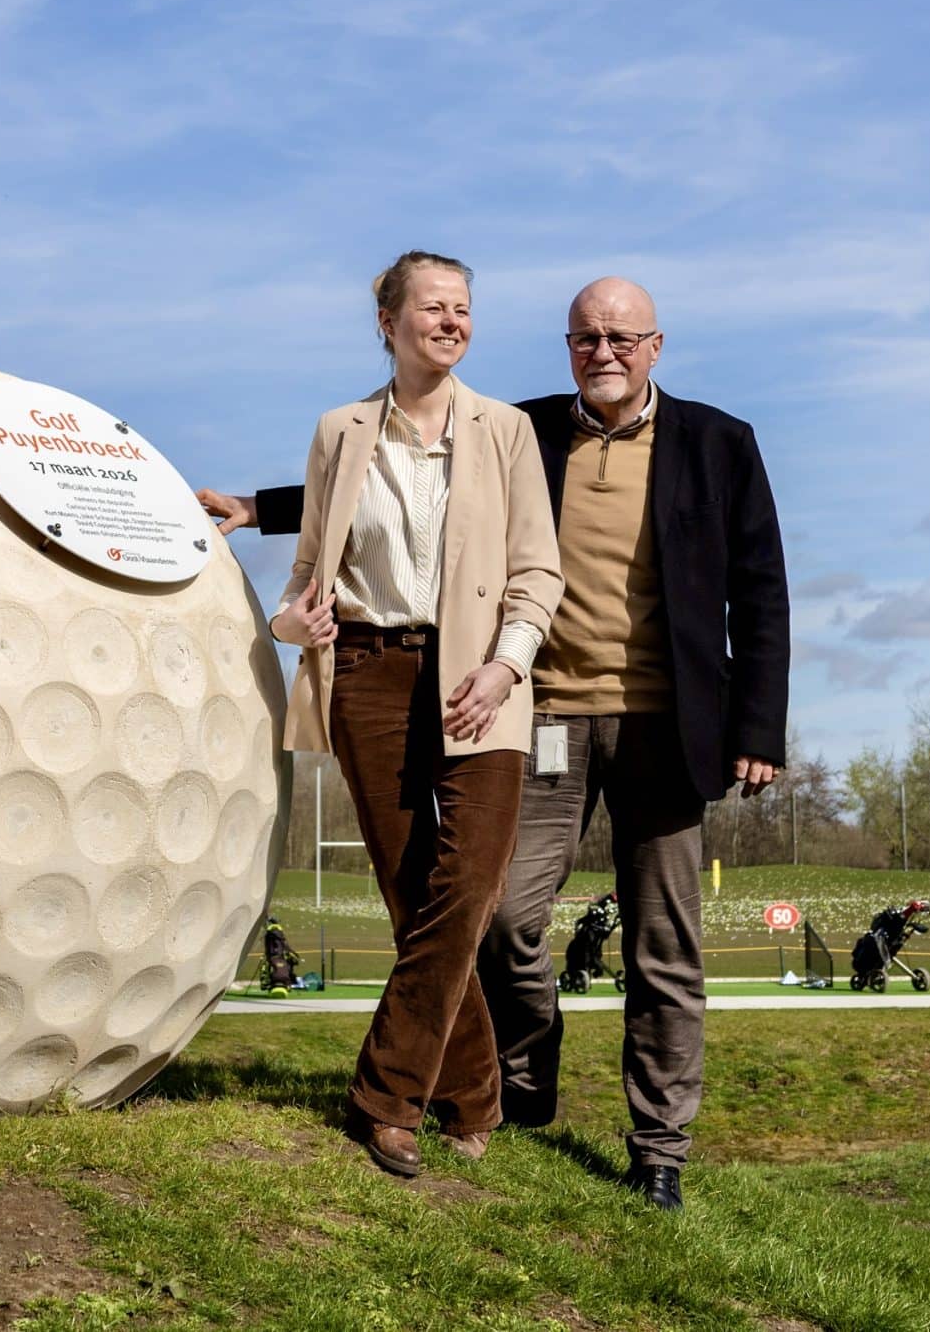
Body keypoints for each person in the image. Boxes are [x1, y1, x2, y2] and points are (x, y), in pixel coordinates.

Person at [200, 276, 788, 1210]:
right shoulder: (526, 430)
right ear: (567, 347)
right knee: (508, 915)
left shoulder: (719, 443)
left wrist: (758, 728)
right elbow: (396, 481)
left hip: (666, 727)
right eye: (586, 337)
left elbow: (759, 591)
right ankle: (520, 1076)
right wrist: (257, 507)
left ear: (657, 346)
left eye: (623, 338)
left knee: (662, 944)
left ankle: (658, 1147)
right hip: (545, 712)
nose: (604, 352)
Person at [268, 250, 561, 1179]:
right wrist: (292, 620)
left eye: (463, 308)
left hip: (482, 682)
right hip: (367, 674)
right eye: (432, 307)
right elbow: (305, 572)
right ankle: (476, 1092)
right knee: (411, 897)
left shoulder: (507, 430)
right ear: (388, 322)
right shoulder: (338, 431)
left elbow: (536, 573)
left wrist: (507, 668)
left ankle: (387, 1097)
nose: (451, 321)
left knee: (465, 888)